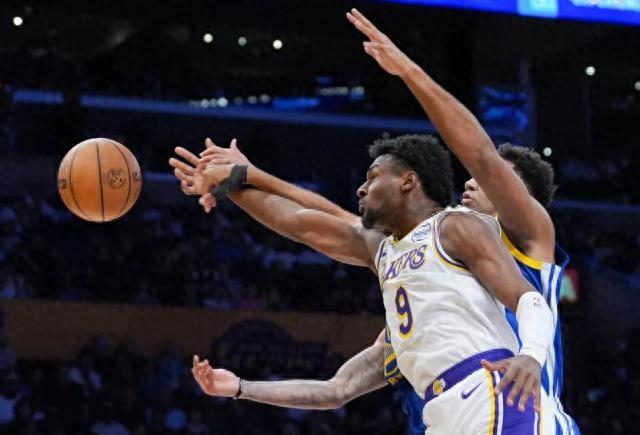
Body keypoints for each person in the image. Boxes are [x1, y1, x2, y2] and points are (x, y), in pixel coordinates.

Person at [172, 131, 555, 434]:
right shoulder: (386, 256)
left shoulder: (455, 224)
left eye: (372, 177)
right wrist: (230, 184)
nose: (361, 188)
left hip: (489, 391)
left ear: (408, 181)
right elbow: (298, 222)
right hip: (440, 411)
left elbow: (529, 298)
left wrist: (531, 354)